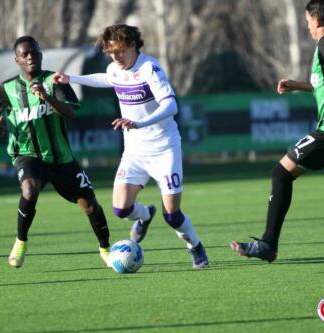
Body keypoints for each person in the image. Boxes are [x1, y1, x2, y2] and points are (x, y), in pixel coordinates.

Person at [53, 24, 209, 269]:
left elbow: (171, 106)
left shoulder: (150, 68)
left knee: (172, 216)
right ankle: (145, 215)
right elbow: (107, 79)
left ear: (134, 45)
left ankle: (196, 247)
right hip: (135, 151)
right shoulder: (115, 68)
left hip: (164, 149)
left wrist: (139, 122)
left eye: (120, 51)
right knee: (120, 208)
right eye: (110, 52)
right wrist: (70, 78)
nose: (115, 57)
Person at [231, 0, 324, 262]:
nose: (307, 26)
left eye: (308, 21)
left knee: (281, 172)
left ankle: (268, 244)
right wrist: (298, 85)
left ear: (318, 21)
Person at [0, 36, 111, 269]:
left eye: (34, 52)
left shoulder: (55, 81)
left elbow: (71, 114)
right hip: (27, 155)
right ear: (17, 60)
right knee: (30, 190)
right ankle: (21, 241)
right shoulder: (7, 88)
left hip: (61, 158)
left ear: (40, 55)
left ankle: (106, 249)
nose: (30, 57)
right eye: (25, 54)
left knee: (90, 206)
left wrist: (47, 96)